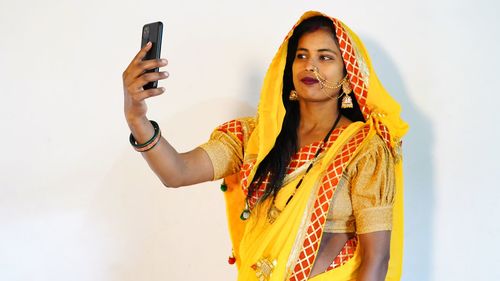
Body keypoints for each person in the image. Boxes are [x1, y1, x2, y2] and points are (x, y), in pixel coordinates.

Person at [122, 11, 408, 281]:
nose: (310, 65)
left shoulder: (364, 147)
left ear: (348, 74)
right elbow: (177, 172)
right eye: (301, 55)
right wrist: (136, 117)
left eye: (325, 57)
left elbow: (377, 258)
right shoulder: (255, 137)